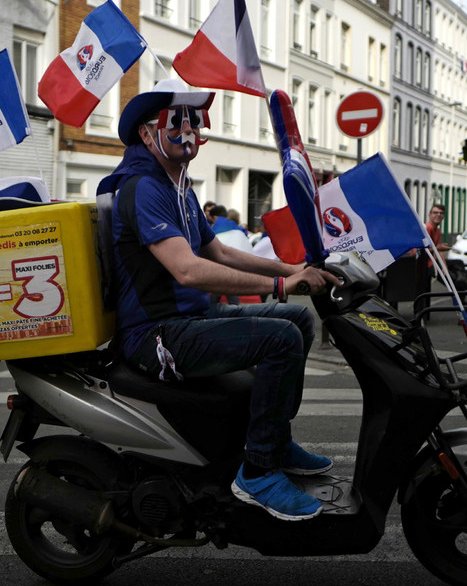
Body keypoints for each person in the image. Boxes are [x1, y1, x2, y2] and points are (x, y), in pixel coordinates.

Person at [96, 78, 340, 521]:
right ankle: (259, 470)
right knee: (282, 338)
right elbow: (187, 269)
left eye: (195, 118)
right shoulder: (144, 187)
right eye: (177, 119)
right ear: (147, 133)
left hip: (193, 318)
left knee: (298, 323)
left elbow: (220, 252)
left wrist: (291, 270)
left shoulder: (179, 187)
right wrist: (283, 286)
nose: (188, 129)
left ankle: (275, 440)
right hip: (158, 334)